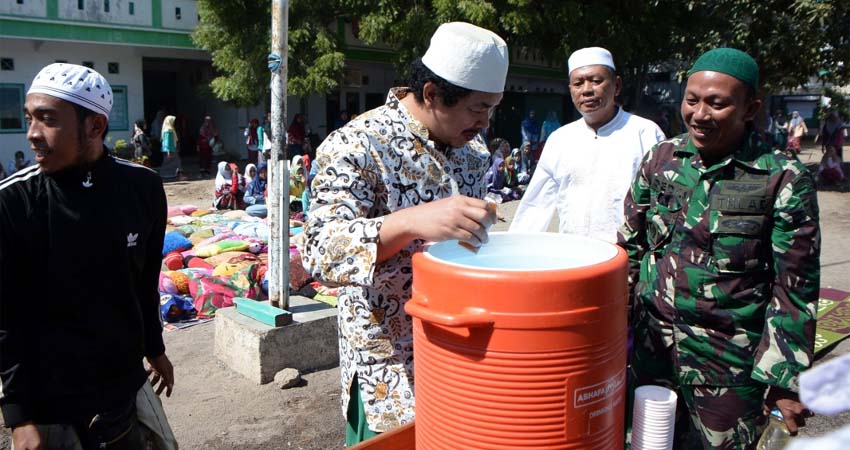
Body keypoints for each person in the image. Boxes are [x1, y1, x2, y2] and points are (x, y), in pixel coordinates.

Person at [300, 21, 504, 445]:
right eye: (477, 108)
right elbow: (318, 251)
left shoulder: (473, 152)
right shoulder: (356, 145)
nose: (485, 123)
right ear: (431, 94)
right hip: (389, 370)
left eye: (492, 108)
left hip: (463, 353)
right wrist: (410, 221)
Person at [618, 48, 820, 450]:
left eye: (717, 103)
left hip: (728, 371)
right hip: (651, 356)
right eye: (691, 100)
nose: (699, 114)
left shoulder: (782, 178)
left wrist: (785, 383)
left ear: (750, 109)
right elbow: (630, 249)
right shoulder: (660, 160)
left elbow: (793, 289)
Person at [1, 63, 176, 450]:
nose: (32, 134)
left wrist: (155, 348)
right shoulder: (13, 201)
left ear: (95, 127)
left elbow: (145, 281)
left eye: (48, 120)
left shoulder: (143, 188)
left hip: (125, 388)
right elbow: (7, 317)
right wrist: (19, 417)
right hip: (51, 405)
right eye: (30, 118)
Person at [510, 47, 665, 242]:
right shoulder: (560, 139)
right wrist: (517, 250)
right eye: (578, 83)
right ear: (570, 90)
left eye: (596, 81)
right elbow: (536, 203)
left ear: (616, 86)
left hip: (629, 259)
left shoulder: (646, 133)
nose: (587, 90)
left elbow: (664, 203)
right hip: (575, 255)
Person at [159, 115, 183, 179]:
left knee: (171, 163)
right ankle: (172, 175)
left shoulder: (168, 128)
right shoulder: (168, 130)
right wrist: (168, 151)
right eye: (172, 121)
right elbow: (167, 141)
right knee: (175, 162)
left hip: (170, 149)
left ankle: (170, 175)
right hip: (170, 149)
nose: (173, 122)